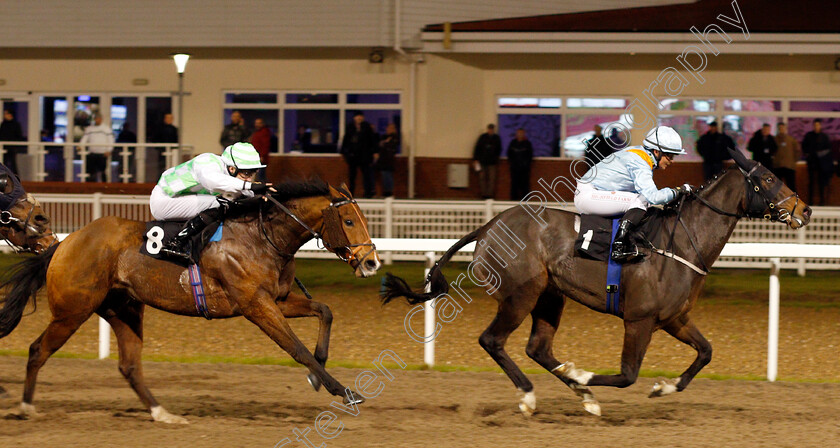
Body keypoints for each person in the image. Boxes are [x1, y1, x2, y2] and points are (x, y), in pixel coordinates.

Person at [575, 126, 690, 263]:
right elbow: (653, 197)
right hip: (589, 195)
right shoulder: (640, 162)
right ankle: (619, 245)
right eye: (670, 155)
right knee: (640, 201)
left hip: (592, 192)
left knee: (640, 200)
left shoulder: (640, 155)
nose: (672, 161)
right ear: (656, 152)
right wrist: (677, 191)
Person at [150, 142, 272, 262]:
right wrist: (250, 186)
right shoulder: (208, 161)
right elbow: (212, 182)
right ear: (232, 168)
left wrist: (262, 194)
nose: (250, 178)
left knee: (232, 200)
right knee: (220, 202)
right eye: (246, 173)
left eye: (253, 173)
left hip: (180, 199)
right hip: (164, 201)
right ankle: (176, 243)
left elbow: (243, 190)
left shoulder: (231, 175)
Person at [340, 112, 377, 198]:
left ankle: (368, 192)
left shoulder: (367, 127)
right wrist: (343, 152)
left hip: (365, 155)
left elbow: (372, 139)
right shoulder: (350, 127)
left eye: (360, 117)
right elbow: (346, 139)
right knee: (352, 175)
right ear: (354, 118)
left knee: (366, 174)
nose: (359, 118)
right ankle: (351, 192)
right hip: (353, 155)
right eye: (357, 117)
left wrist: (375, 151)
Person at [802, 119, 834, 205]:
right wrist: (809, 154)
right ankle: (810, 202)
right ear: (813, 126)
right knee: (811, 182)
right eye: (815, 125)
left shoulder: (824, 137)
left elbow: (828, 149)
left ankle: (822, 202)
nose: (816, 127)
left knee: (821, 183)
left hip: (822, 163)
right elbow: (804, 147)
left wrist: (820, 155)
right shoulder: (809, 136)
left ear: (820, 126)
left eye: (818, 125)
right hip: (812, 163)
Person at [79, 114, 114, 182]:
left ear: (101, 119)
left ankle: (104, 186)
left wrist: (109, 150)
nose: (97, 120)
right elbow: (85, 138)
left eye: (98, 118)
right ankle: (90, 187)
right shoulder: (90, 129)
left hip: (102, 153)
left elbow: (111, 140)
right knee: (90, 171)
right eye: (96, 118)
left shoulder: (106, 128)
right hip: (92, 153)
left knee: (102, 171)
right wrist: (80, 146)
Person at [473, 124, 502, 199]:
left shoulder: (496, 138)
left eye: (492, 129)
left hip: (492, 162)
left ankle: (490, 195)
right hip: (482, 161)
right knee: (482, 178)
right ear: (487, 129)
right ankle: (483, 194)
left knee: (491, 179)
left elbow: (499, 149)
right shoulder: (482, 137)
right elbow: (477, 148)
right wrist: (475, 159)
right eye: (489, 129)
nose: (490, 130)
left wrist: (496, 159)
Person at [507, 128, 533, 201]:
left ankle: (525, 200)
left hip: (524, 168)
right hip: (514, 168)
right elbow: (509, 154)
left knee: (524, 184)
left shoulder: (527, 143)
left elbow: (530, 156)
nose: (520, 135)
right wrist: (512, 163)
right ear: (516, 134)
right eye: (519, 133)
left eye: (521, 133)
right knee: (514, 184)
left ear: (524, 134)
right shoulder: (513, 143)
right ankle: (513, 200)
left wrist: (526, 164)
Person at [773, 122, 800, 190]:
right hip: (777, 166)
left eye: (783, 128)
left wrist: (793, 161)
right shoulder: (774, 140)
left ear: (785, 128)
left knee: (791, 186)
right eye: (780, 128)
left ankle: (793, 200)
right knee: (777, 187)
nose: (781, 129)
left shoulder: (791, 140)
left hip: (789, 166)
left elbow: (797, 151)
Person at [375, 123, 399, 197]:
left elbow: (392, 147)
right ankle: (386, 191)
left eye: (391, 128)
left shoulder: (395, 138)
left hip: (389, 161)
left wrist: (386, 143)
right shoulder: (384, 137)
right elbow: (380, 146)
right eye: (388, 128)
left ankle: (389, 192)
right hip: (382, 160)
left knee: (388, 176)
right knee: (384, 176)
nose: (389, 130)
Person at [0, 110, 25, 176]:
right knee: (4, 163)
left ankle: (16, 178)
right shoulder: (3, 124)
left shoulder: (16, 124)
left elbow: (18, 136)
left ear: (10, 115)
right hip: (4, 147)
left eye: (6, 114)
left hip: (12, 147)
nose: (4, 115)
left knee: (13, 163)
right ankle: (3, 177)